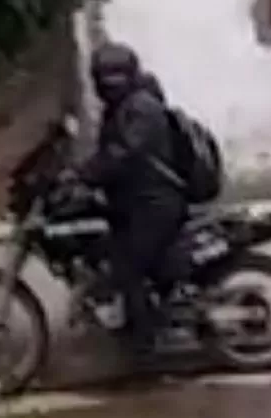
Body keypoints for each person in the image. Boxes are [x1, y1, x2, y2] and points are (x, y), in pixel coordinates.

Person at [76, 43, 187, 365]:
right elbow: (111, 152)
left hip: (156, 203)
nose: (102, 86)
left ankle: (144, 341)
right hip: (137, 200)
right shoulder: (124, 106)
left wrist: (87, 174)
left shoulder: (142, 107)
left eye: (105, 78)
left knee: (128, 267)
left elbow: (125, 153)